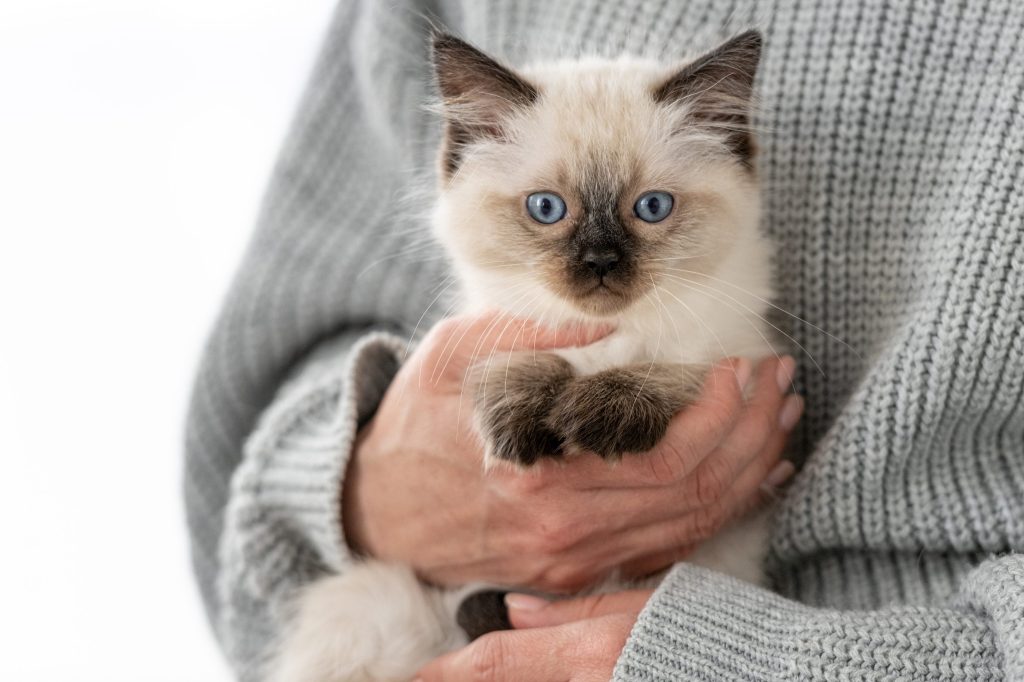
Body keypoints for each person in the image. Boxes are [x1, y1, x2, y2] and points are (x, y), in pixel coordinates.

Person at [185, 1, 1024, 680]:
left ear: (734, 156)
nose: (595, 257)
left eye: (649, 210)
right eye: (544, 210)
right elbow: (291, 347)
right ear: (460, 162)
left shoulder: (717, 315)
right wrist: (359, 486)